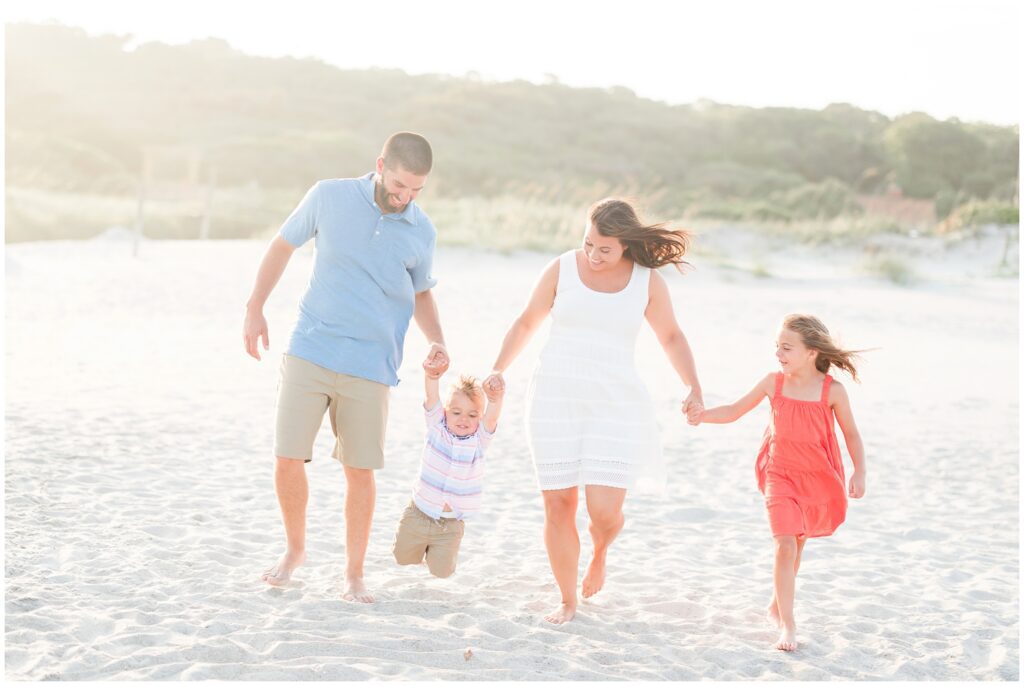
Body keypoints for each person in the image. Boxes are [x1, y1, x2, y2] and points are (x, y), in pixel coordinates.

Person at [242, 132, 449, 603]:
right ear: (380, 164)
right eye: (399, 185)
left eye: (416, 190)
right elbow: (281, 246)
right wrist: (255, 306)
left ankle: (354, 573)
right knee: (287, 456)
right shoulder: (328, 196)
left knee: (360, 470)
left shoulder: (421, 229)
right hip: (311, 346)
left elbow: (420, 292)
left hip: (371, 363)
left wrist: (437, 339)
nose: (405, 197)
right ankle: (295, 551)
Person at [484, 198, 703, 624]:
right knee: (559, 504)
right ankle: (567, 599)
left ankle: (599, 551)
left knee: (604, 512)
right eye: (588, 244)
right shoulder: (562, 268)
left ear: (625, 245)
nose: (594, 255)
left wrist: (693, 386)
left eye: (605, 248)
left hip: (615, 404)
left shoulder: (647, 282)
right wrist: (499, 367)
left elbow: (672, 336)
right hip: (554, 397)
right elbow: (528, 320)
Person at [691, 313, 867, 651]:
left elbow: (852, 436)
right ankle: (788, 624)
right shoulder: (774, 382)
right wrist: (703, 416)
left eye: (786, 348)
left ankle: (776, 603)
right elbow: (734, 410)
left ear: (812, 352)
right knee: (785, 545)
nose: (778, 354)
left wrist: (860, 472)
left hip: (817, 477)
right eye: (777, 346)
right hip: (779, 473)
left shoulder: (833, 391)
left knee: (797, 545)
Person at [392, 366, 503, 578]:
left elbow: (491, 418)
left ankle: (435, 554)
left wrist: (496, 399)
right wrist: (431, 376)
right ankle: (420, 549)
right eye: (456, 412)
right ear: (445, 412)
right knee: (403, 558)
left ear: (479, 418)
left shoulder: (479, 440)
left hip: (450, 523)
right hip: (420, 511)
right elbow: (431, 395)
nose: (464, 419)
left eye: (472, 415)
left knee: (442, 572)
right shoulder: (437, 427)